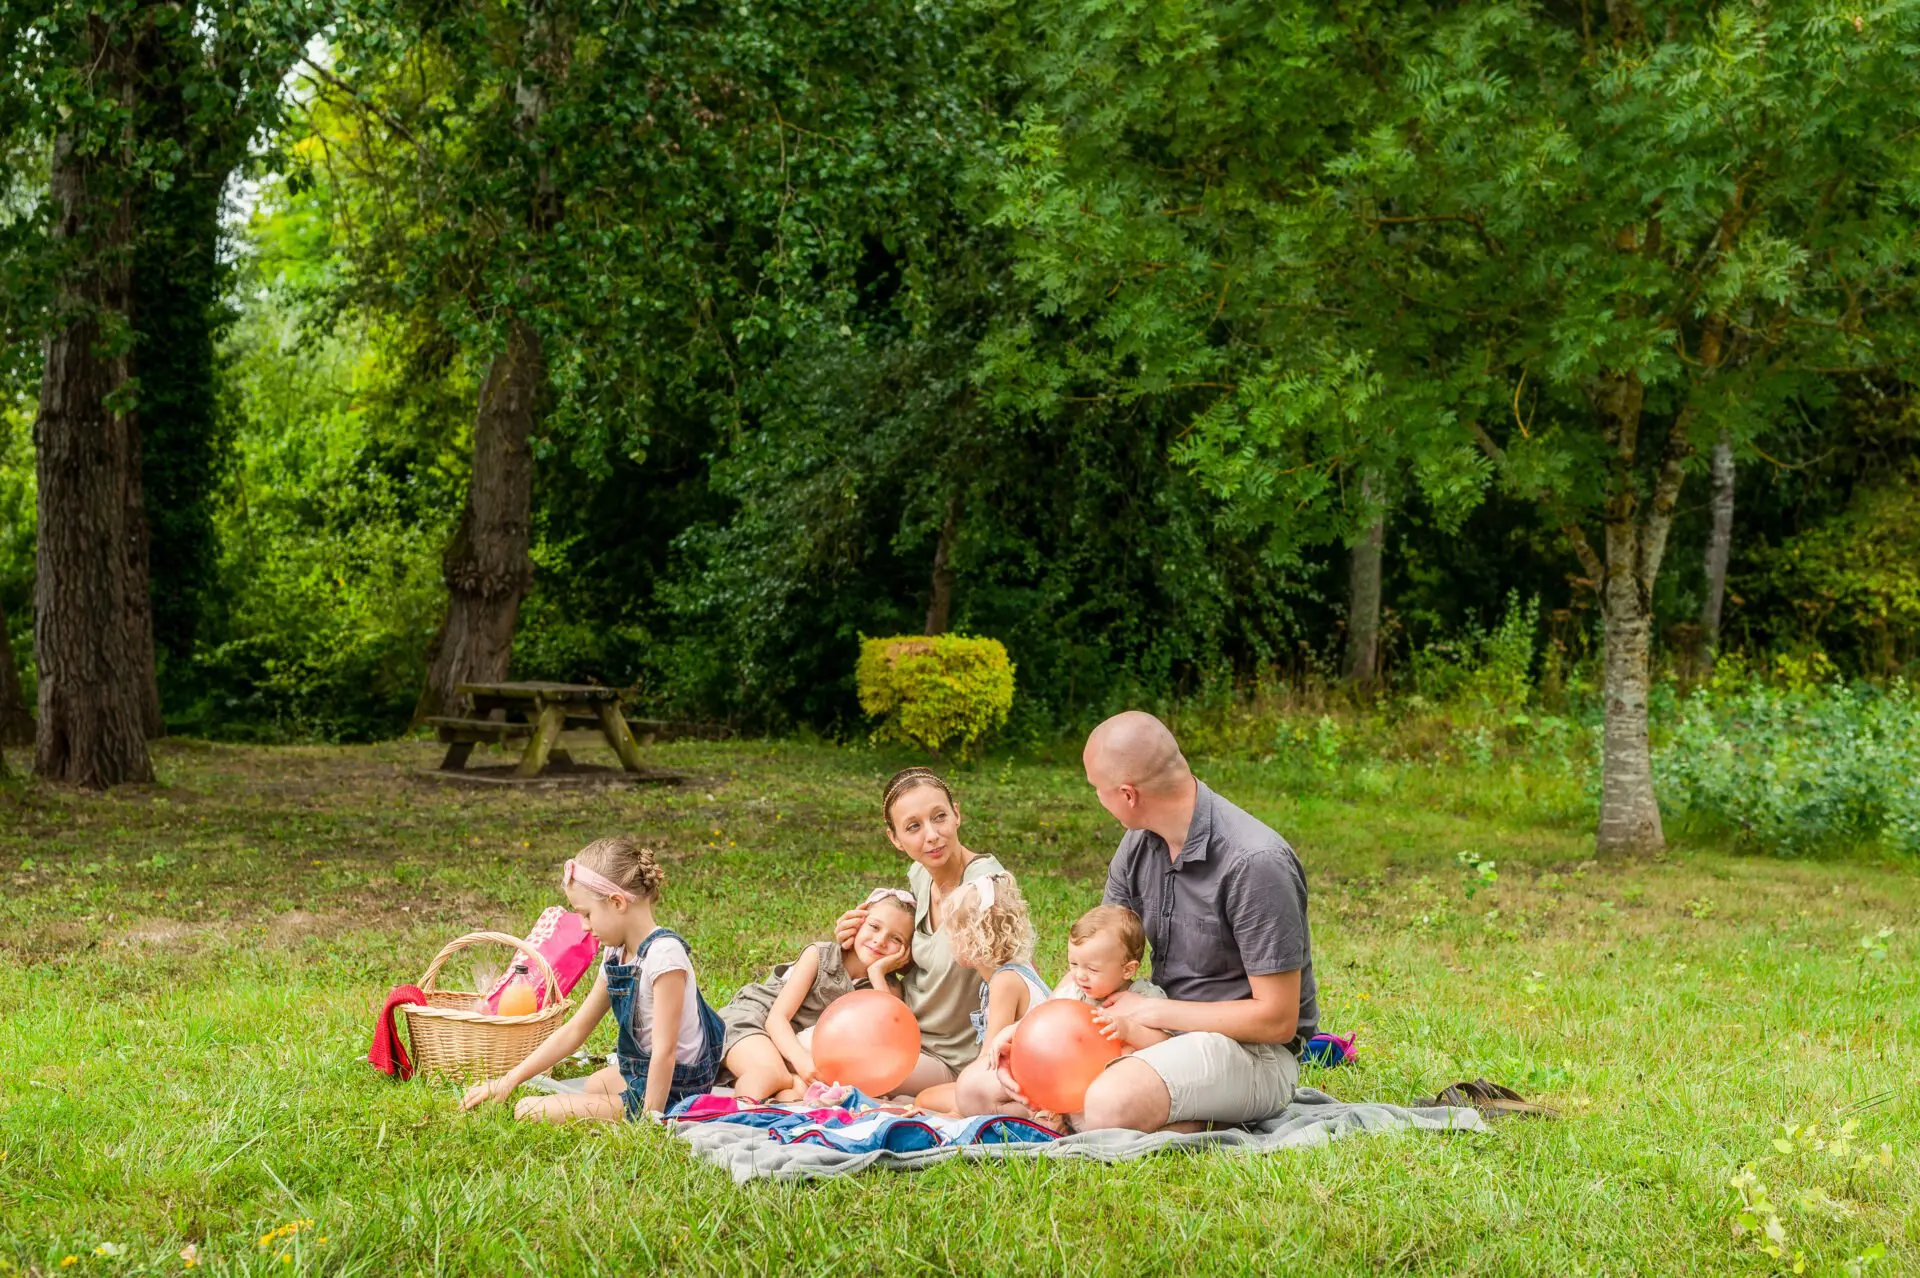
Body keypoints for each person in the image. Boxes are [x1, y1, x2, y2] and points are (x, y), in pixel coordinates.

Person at [971, 711, 1317, 1132]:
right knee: (981, 1089)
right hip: (1151, 1031)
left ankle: (1188, 1117)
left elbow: (1277, 1021)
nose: (1097, 799)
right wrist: (1032, 1029)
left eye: (1098, 790)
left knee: (1105, 1106)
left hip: (1252, 1053)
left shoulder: (1255, 864)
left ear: (1128, 794)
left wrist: (1153, 1010)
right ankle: (1150, 1112)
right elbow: (1097, 956)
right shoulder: (1138, 844)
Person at [460, 836, 725, 1123]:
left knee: (529, 1109)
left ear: (617, 902)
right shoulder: (616, 953)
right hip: (642, 1074)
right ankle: (623, 1103)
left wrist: (650, 1120)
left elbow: (665, 1052)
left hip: (672, 1089)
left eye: (587, 914)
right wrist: (510, 1079)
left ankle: (661, 1108)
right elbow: (576, 1029)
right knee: (594, 1084)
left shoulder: (664, 956)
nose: (585, 926)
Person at [833, 766, 1013, 1098]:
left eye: (939, 817)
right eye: (913, 827)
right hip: (906, 1028)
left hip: (951, 1057)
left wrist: (989, 1070)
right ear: (895, 838)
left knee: (840, 1064)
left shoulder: (985, 890)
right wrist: (862, 935)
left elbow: (1013, 978)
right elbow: (934, 960)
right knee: (813, 1041)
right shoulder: (921, 873)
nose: (931, 835)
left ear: (957, 814)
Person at [717, 888, 915, 1101]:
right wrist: (802, 1062)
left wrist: (877, 973)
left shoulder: (887, 989)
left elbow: (886, 1041)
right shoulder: (820, 956)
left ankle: (770, 1113)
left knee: (800, 1090)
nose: (880, 940)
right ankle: (741, 1112)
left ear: (906, 952)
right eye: (874, 926)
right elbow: (776, 1019)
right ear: (857, 921)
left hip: (795, 1051)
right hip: (756, 1023)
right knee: (773, 1073)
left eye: (896, 938)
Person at [1052, 904, 1168, 1044]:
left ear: (1127, 970)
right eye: (1074, 964)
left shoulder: (1145, 998)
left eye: (1092, 969)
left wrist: (1129, 1031)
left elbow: (1166, 1042)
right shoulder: (1073, 995)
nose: (1080, 976)